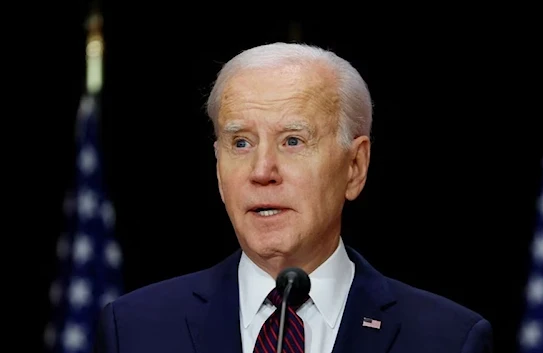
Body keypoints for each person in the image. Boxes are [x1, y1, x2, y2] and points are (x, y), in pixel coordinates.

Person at [94, 42, 493, 353]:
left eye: (292, 141)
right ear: (218, 169)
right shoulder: (134, 329)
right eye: (241, 142)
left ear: (355, 166)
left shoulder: (447, 339)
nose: (262, 171)